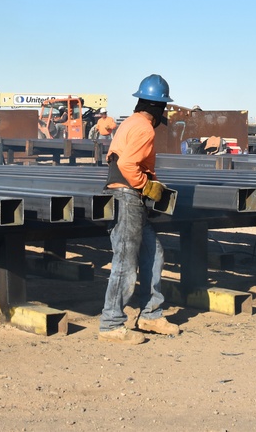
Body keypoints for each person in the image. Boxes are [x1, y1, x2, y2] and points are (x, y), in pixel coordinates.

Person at [99, 74, 180, 344]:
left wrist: (148, 181)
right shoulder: (144, 128)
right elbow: (127, 166)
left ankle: (150, 315)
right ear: (158, 107)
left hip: (126, 195)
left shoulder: (129, 123)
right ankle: (111, 324)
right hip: (127, 196)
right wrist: (146, 185)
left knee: (153, 254)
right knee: (125, 261)